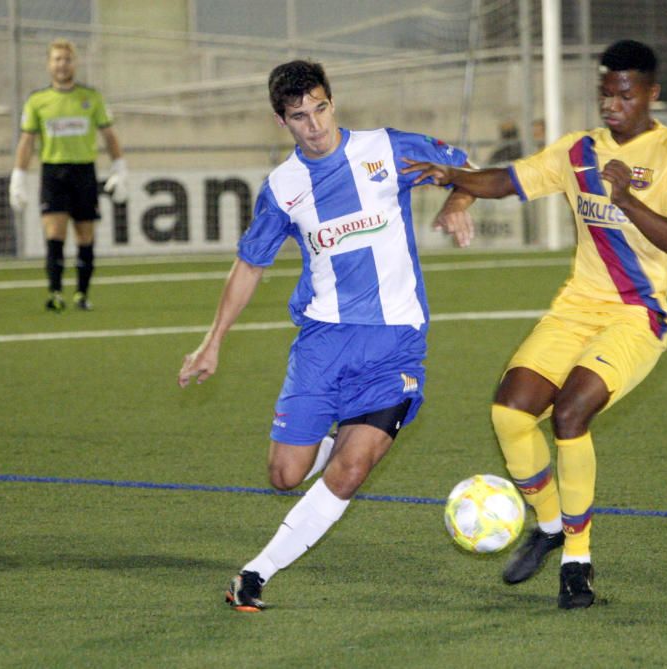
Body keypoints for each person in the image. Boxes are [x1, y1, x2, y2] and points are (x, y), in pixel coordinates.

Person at [402, 40, 667, 609]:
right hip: (575, 307)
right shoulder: (577, 151)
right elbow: (509, 180)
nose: (612, 104)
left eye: (625, 93)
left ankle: (577, 562)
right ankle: (546, 525)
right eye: (604, 93)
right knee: (509, 412)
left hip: (638, 315)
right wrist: (453, 179)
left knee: (569, 415)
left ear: (651, 94)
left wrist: (626, 199)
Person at [177, 59, 475, 612]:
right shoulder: (283, 188)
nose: (314, 125)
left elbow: (465, 169)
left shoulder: (388, 148)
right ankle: (340, 440)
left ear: (331, 101)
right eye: (299, 116)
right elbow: (249, 265)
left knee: (353, 467)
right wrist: (212, 340)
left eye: (320, 108)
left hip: (396, 341)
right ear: (281, 122)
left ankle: (254, 574)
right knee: (285, 474)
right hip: (323, 342)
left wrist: (458, 201)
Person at [9, 38, 128, 312]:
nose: (62, 64)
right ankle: (55, 293)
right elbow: (27, 141)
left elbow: (109, 135)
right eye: (57, 59)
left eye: (67, 59)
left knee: (85, 235)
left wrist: (120, 167)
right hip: (53, 173)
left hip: (84, 172)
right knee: (54, 233)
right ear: (49, 64)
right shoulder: (38, 101)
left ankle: (82, 294)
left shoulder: (91, 97)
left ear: (75, 63)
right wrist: (18, 176)